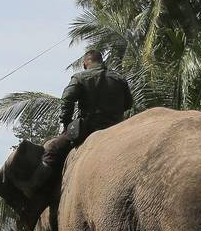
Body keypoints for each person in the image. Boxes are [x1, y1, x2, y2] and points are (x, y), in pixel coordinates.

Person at [39, 49, 134, 177]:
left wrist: (66, 124)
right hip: (118, 128)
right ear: (102, 61)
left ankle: (39, 189)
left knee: (52, 150)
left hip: (88, 129)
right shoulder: (119, 79)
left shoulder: (80, 77)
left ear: (85, 64)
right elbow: (129, 104)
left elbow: (67, 99)